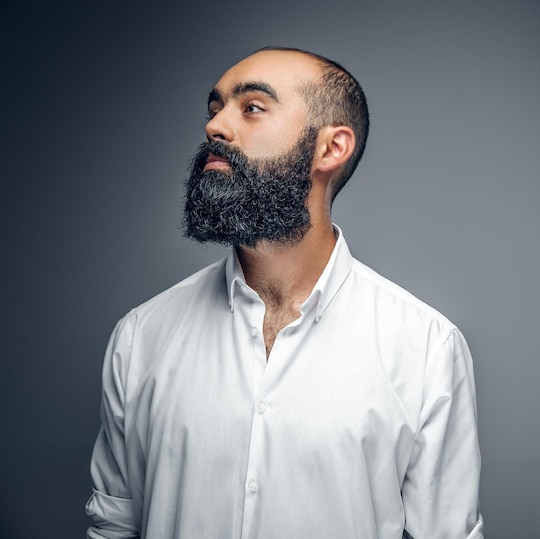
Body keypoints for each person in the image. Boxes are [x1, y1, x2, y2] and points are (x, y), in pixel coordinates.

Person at [86, 46, 484, 539]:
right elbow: (113, 526)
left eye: (251, 107)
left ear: (331, 149)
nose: (216, 127)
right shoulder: (141, 338)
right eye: (215, 110)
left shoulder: (426, 349)